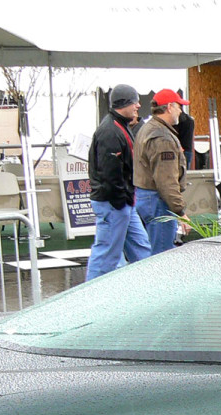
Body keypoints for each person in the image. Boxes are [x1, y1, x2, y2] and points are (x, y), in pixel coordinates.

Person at [86, 84, 151, 280]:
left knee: (142, 248)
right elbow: (109, 173)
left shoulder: (119, 127)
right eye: (134, 101)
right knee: (107, 253)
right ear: (124, 103)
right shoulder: (110, 132)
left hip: (122, 203)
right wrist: (121, 201)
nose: (138, 106)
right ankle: (91, 293)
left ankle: (150, 285)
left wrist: (126, 200)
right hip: (114, 203)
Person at [134, 88, 189, 256]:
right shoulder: (163, 137)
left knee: (148, 251)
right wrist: (180, 212)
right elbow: (166, 181)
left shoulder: (147, 128)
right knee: (162, 255)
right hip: (158, 201)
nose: (181, 110)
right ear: (170, 107)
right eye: (179, 106)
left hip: (146, 196)